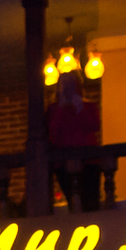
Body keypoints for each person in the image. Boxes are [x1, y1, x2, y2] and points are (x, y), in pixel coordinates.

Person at [47, 72, 103, 211]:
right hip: (64, 163)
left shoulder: (88, 107)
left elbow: (94, 126)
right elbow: (52, 131)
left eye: (71, 83)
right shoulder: (54, 109)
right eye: (65, 84)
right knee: (73, 201)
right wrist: (61, 108)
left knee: (91, 201)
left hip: (89, 161)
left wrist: (80, 108)